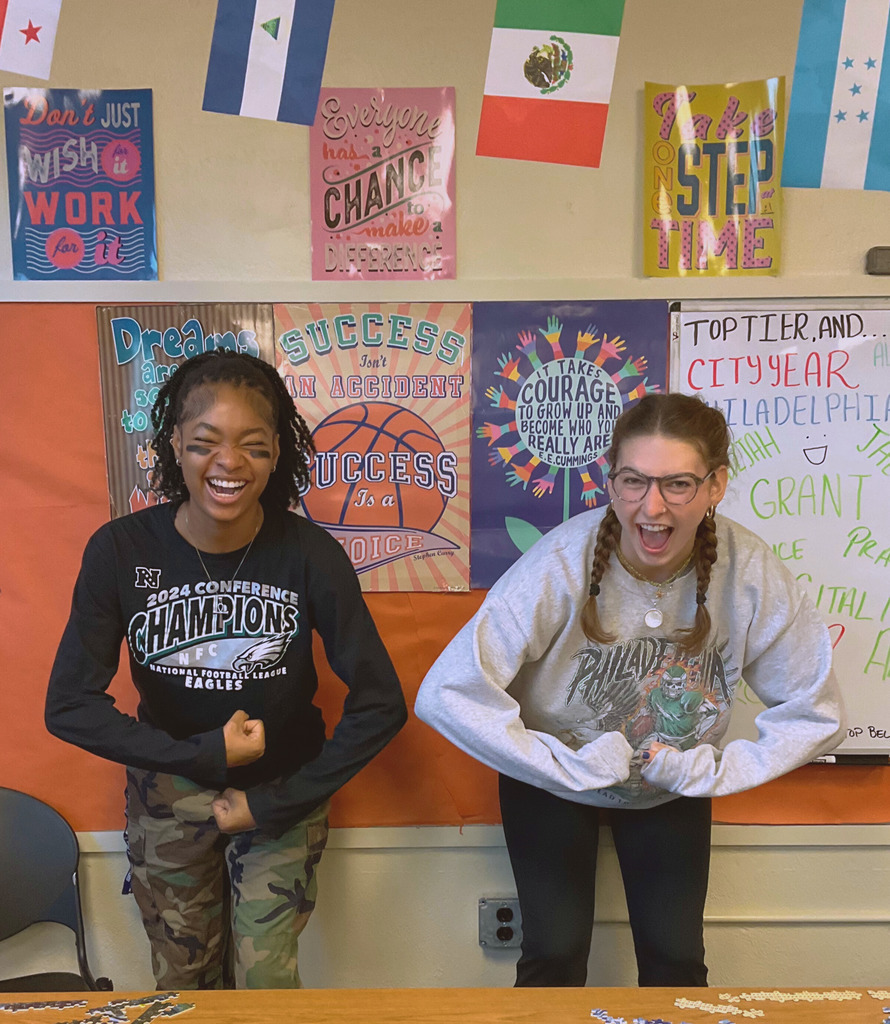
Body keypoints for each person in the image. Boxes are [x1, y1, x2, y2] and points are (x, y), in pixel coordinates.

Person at [415, 392, 844, 988]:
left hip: (671, 789)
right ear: (610, 480)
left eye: (678, 484)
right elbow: (446, 692)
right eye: (634, 481)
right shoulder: (561, 561)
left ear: (716, 485)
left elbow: (814, 711)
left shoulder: (749, 570)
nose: (652, 506)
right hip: (552, 782)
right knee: (554, 953)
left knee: (676, 960)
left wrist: (714, 771)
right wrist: (560, 764)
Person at [46, 349, 407, 990]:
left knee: (266, 983)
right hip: (169, 792)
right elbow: (69, 705)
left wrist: (272, 801)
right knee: (184, 983)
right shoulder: (121, 550)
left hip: (283, 795)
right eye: (205, 442)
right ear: (174, 444)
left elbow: (382, 703)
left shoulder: (310, 554)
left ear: (277, 453)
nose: (229, 462)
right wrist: (204, 754)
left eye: (253, 445)